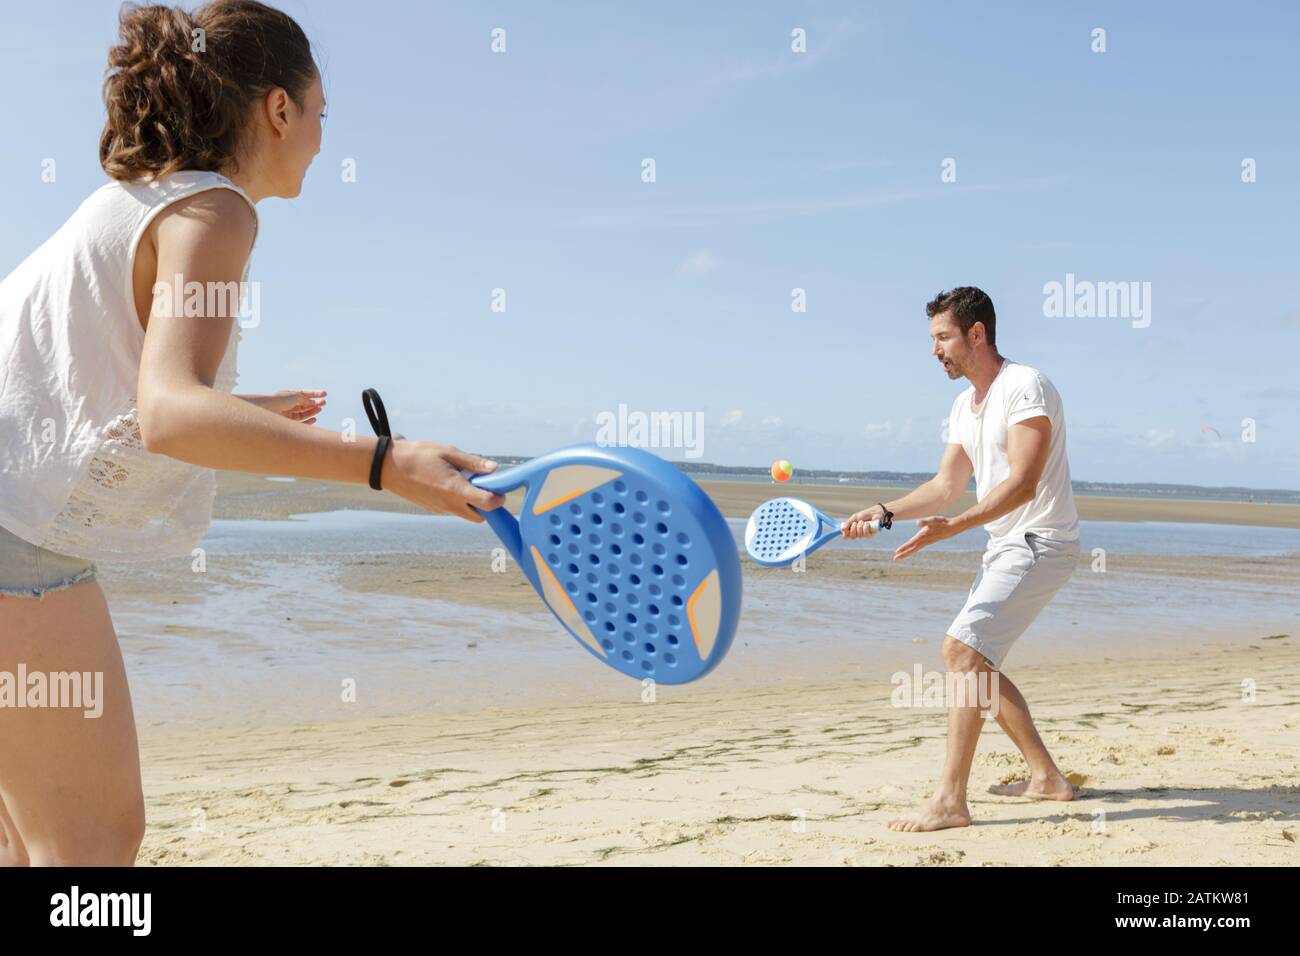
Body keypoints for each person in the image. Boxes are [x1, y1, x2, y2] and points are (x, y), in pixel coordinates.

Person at [0, 0, 504, 866]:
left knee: (27, 840)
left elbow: (96, 382)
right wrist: (387, 465)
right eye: (319, 114)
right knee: (92, 850)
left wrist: (252, 410)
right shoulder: (216, 211)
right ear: (279, 108)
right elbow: (172, 413)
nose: (319, 137)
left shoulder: (138, 201)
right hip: (17, 549)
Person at [843, 287, 1080, 831]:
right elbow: (945, 485)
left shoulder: (1025, 386)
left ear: (977, 334)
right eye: (932, 339)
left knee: (960, 652)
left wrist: (954, 529)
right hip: (1007, 545)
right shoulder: (963, 405)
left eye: (942, 337)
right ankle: (1046, 778)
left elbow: (1023, 484)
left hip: (1041, 541)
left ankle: (951, 800)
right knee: (975, 662)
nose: (935, 351)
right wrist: (883, 512)